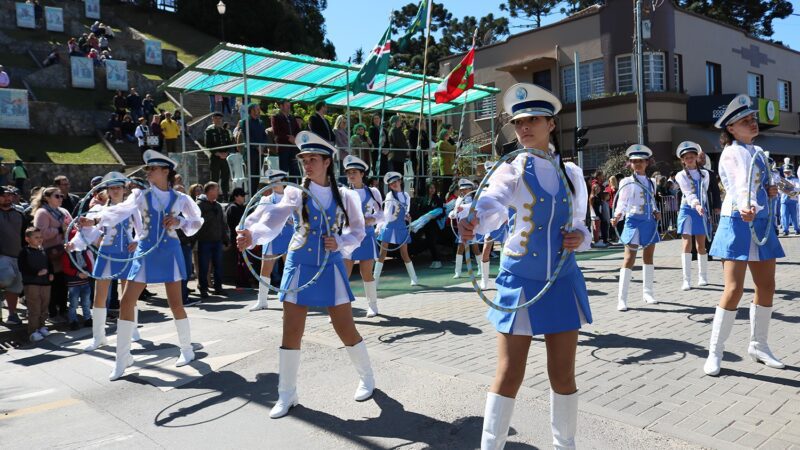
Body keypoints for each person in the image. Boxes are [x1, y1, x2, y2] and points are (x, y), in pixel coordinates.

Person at [458, 83, 591, 450]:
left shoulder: (571, 172)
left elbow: (581, 222)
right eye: (518, 122)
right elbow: (492, 203)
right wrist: (474, 217)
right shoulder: (512, 169)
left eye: (533, 119)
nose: (525, 127)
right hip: (520, 281)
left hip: (561, 280)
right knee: (509, 372)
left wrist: (579, 236)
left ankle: (565, 446)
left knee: (562, 374)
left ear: (551, 124)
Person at [236, 131, 375, 419]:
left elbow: (358, 231)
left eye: (313, 159)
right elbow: (272, 220)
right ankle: (287, 394)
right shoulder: (294, 192)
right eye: (304, 160)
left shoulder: (346, 196)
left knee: (345, 327)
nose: (307, 164)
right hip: (298, 264)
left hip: (330, 265)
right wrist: (252, 236)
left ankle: (367, 378)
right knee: (291, 330)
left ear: (327, 162)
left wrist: (341, 242)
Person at [85, 150, 204, 380]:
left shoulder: (181, 198)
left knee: (175, 304)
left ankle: (187, 350)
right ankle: (122, 359)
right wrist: (96, 219)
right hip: (144, 252)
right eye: (147, 168)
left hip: (170, 252)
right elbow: (119, 211)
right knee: (126, 301)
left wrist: (179, 221)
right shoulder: (139, 195)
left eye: (152, 168)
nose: (147, 172)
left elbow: (197, 221)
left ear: (165, 171)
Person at [703, 95, 785, 376]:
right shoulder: (732, 152)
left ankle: (759, 346)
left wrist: (770, 190)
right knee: (734, 289)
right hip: (738, 220)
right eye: (745, 121)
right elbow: (739, 184)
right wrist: (746, 205)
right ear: (731, 129)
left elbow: (761, 182)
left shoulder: (758, 151)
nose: (752, 123)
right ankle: (715, 352)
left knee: (767, 286)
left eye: (752, 119)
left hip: (760, 221)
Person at [68, 172, 141, 351]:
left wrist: (136, 241)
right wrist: (73, 244)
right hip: (106, 253)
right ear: (107, 191)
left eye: (118, 187)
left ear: (124, 190)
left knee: (128, 295)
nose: (115, 191)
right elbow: (87, 232)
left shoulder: (132, 208)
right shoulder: (99, 210)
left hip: (127, 253)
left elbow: (142, 230)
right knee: (99, 296)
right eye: (112, 188)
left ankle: (132, 329)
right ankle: (98, 337)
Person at [612, 145, 662, 311]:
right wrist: (617, 216)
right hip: (633, 221)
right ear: (630, 164)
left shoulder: (652, 182)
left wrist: (656, 211)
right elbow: (622, 202)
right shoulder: (626, 181)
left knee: (648, 257)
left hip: (649, 222)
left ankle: (648, 293)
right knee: (629, 258)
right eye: (634, 161)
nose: (638, 164)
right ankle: (622, 299)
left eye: (641, 161)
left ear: (647, 162)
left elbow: (652, 200)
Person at [244, 170, 293, 311]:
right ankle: (262, 301)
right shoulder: (266, 200)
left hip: (289, 236)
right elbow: (256, 217)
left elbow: (301, 217)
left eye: (277, 181)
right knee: (265, 268)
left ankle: (291, 300)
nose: (274, 184)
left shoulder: (292, 198)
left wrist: (293, 220)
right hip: (270, 237)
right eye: (272, 181)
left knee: (290, 268)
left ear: (284, 182)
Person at [342, 156, 384, 317]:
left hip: (366, 236)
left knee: (366, 273)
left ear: (362, 174)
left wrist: (371, 219)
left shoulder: (373, 192)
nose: (351, 175)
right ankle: (340, 309)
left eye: (354, 172)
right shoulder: (343, 193)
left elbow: (381, 213)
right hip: (348, 237)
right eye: (348, 173)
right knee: (344, 274)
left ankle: (373, 306)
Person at [674, 141, 711, 291]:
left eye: (691, 157)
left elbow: (704, 192)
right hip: (687, 210)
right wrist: (696, 204)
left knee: (701, 245)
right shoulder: (680, 175)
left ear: (696, 157)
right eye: (686, 158)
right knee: (686, 244)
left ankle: (703, 276)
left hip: (700, 210)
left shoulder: (705, 174)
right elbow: (688, 192)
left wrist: (703, 207)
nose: (689, 159)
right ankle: (686, 280)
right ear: (682, 160)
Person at [32, 186, 72, 322]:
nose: (60, 198)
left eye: (61, 196)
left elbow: (72, 227)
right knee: (52, 283)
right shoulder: (42, 212)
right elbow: (41, 234)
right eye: (57, 196)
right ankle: (52, 313)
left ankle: (63, 309)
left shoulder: (64, 211)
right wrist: (59, 230)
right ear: (47, 198)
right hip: (50, 254)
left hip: (65, 252)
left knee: (63, 283)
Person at [373, 171, 418, 286]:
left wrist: (407, 216)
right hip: (389, 226)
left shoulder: (406, 196)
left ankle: (414, 278)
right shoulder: (390, 196)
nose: (394, 184)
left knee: (404, 253)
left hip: (401, 227)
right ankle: (375, 281)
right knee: (382, 254)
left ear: (400, 181)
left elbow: (406, 211)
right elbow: (386, 214)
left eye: (395, 181)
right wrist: (379, 226)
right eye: (391, 183)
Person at [19, 227, 53, 341]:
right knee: (35, 308)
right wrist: (36, 273)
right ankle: (33, 331)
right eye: (36, 237)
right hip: (31, 284)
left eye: (41, 237)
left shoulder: (43, 251)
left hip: (45, 284)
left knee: (44, 307)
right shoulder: (24, 252)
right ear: (27, 239)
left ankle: (42, 327)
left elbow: (49, 264)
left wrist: (51, 273)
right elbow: (22, 267)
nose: (40, 239)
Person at [196, 182, 229, 298]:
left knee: (218, 266)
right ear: (209, 191)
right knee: (204, 267)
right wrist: (210, 214)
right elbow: (196, 222)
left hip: (217, 241)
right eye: (216, 189)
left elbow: (222, 224)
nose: (218, 192)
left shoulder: (218, 206)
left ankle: (218, 288)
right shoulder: (199, 205)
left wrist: (226, 239)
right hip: (204, 241)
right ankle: (203, 289)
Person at [0, 186, 25, 325]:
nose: (7, 198)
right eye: (3, 195)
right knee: (6, 278)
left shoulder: (19, 213)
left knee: (16, 286)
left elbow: (25, 234)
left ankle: (12, 315)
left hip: (18, 255)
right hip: (2, 256)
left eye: (9, 195)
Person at [61, 227, 93, 330]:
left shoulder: (84, 251)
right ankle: (73, 321)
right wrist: (77, 273)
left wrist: (89, 272)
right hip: (73, 282)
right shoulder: (67, 254)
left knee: (86, 302)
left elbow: (89, 263)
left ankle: (87, 318)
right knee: (73, 303)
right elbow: (66, 268)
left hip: (85, 281)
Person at [449, 178, 481, 279]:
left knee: (475, 248)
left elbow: (474, 208)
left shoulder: (475, 199)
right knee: (460, 248)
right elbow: (455, 211)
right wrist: (452, 214)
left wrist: (462, 208)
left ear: (470, 189)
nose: (463, 191)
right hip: (462, 227)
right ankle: (457, 272)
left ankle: (481, 268)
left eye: (465, 189)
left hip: (472, 226)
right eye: (462, 189)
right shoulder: (459, 199)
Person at [238, 103, 269, 194]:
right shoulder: (245, 122)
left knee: (258, 175)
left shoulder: (260, 122)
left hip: (260, 152)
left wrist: (262, 146)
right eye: (256, 110)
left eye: (258, 110)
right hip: (250, 152)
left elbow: (264, 136)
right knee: (251, 174)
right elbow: (247, 137)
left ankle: (255, 194)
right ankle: (251, 194)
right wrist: (256, 147)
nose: (258, 112)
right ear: (251, 111)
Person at [224, 188, 250, 289]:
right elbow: (237, 225)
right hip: (237, 238)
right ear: (236, 197)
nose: (244, 198)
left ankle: (243, 280)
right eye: (242, 195)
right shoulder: (233, 208)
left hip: (241, 238)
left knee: (242, 260)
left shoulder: (239, 207)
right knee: (240, 260)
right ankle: (241, 281)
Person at [205, 112, 233, 196]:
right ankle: (213, 195)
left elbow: (230, 144)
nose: (218, 120)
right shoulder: (209, 131)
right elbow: (208, 145)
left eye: (219, 118)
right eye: (216, 118)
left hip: (225, 157)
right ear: (213, 119)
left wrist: (226, 153)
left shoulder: (225, 131)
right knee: (214, 178)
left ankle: (225, 195)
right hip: (215, 157)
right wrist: (218, 154)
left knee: (225, 177)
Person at [418, 182, 444, 269]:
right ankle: (434, 260)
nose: (432, 190)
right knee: (429, 242)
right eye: (430, 188)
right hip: (425, 223)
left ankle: (437, 260)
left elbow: (442, 212)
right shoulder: (424, 199)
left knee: (433, 241)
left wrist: (434, 216)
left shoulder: (438, 199)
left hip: (434, 224)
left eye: (434, 188)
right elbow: (420, 210)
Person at [271, 100, 299, 179]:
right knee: (283, 170)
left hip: (293, 148)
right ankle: (284, 185)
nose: (289, 107)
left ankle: (293, 186)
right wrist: (288, 138)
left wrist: (295, 138)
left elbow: (297, 130)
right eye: (287, 105)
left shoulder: (292, 118)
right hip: (283, 147)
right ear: (281, 106)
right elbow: (276, 132)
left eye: (289, 105)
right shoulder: (276, 117)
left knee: (294, 170)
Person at [779, 159, 799, 235]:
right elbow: (779, 191)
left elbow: (798, 189)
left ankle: (797, 229)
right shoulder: (782, 180)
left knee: (794, 216)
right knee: (784, 215)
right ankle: (785, 230)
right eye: (785, 172)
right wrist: (783, 189)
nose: (787, 173)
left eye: (788, 172)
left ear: (791, 172)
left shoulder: (796, 180)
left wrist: (790, 189)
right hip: (784, 201)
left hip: (793, 200)